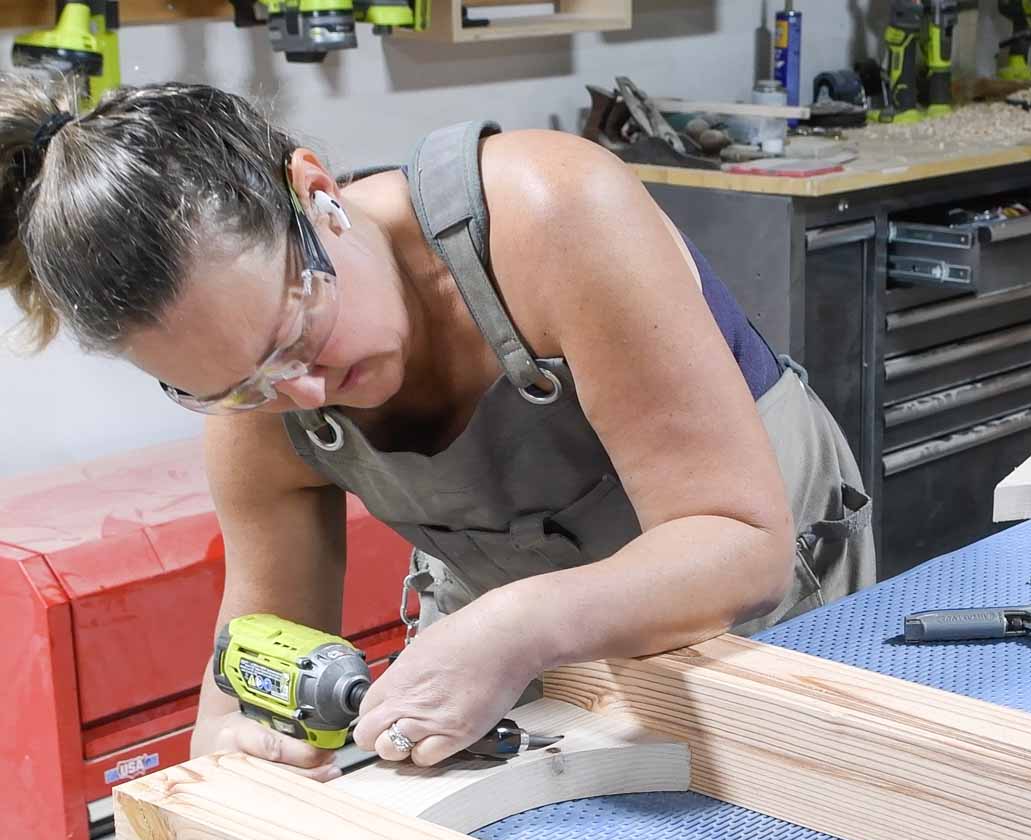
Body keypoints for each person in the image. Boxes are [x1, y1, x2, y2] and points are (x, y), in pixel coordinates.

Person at [0, 76, 875, 777]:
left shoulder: (550, 215)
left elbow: (739, 544)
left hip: (754, 574)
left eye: (297, 335)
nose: (301, 393)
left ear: (317, 197)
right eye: (238, 386)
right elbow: (256, 661)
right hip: (510, 623)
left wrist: (514, 625)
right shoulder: (261, 396)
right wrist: (241, 746)